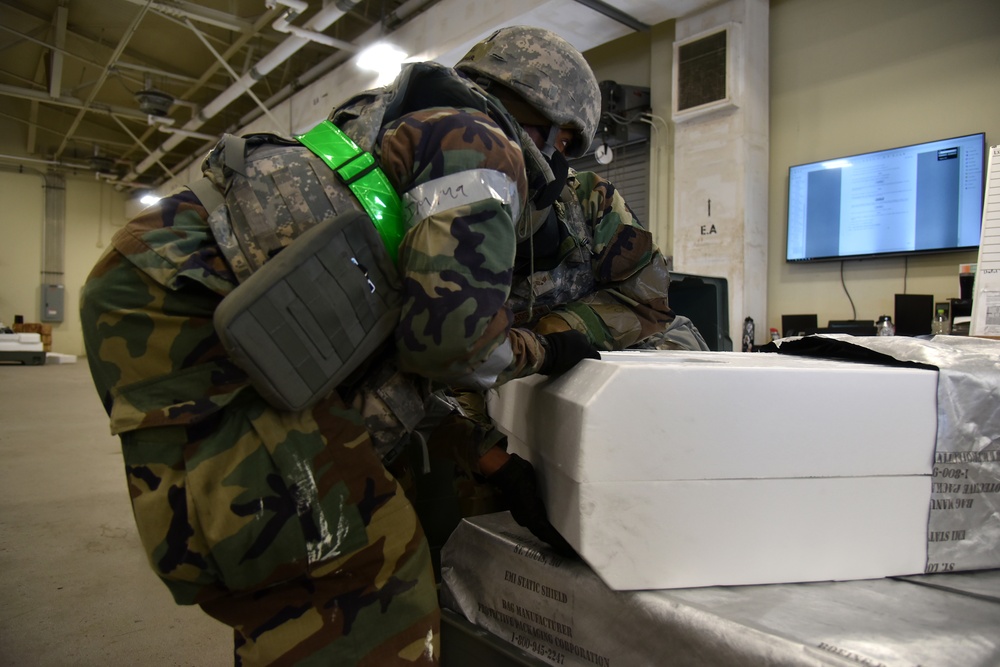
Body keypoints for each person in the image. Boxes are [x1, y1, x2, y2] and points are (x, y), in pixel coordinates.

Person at [80, 25, 613, 666]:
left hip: (193, 297)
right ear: (556, 130)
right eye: (566, 150)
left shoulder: (415, 121)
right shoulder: (482, 145)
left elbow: (389, 357)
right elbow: (450, 345)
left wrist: (490, 459)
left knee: (305, 560)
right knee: (354, 581)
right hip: (191, 306)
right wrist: (542, 349)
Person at [403, 35, 709, 564]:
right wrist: (494, 461)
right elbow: (414, 365)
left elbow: (650, 303)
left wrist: (552, 338)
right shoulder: (420, 197)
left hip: (576, 415)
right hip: (463, 430)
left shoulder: (589, 207)